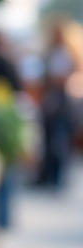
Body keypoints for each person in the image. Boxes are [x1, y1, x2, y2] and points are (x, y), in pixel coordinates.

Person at [37, 21, 81, 189]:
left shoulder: (68, 54)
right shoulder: (52, 52)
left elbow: (67, 76)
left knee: (59, 141)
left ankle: (57, 177)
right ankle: (49, 176)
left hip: (63, 101)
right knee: (50, 139)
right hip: (52, 99)